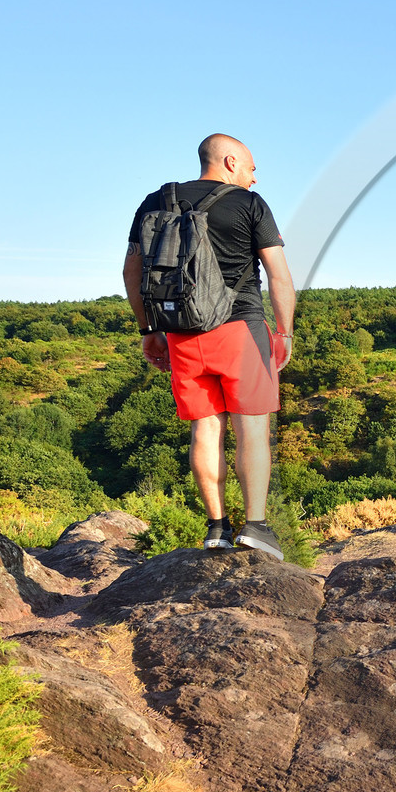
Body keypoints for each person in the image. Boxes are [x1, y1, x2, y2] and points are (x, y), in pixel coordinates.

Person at [122, 133, 295, 559]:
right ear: (230, 161)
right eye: (252, 168)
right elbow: (279, 276)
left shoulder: (155, 202)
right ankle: (255, 526)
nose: (255, 177)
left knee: (206, 428)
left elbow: (131, 272)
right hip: (241, 329)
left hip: (182, 333)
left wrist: (150, 330)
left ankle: (216, 528)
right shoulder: (250, 205)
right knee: (252, 429)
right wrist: (285, 332)